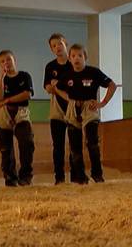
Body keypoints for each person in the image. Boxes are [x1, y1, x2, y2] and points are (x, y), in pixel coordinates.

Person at [52, 44, 116, 184]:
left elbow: (112, 85)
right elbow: (57, 88)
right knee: (75, 147)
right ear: (69, 58)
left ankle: (97, 175)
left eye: (80, 55)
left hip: (89, 107)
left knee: (92, 143)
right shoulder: (67, 75)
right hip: (73, 107)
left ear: (85, 57)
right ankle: (80, 177)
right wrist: (68, 99)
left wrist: (102, 103)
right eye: (73, 56)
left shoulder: (93, 72)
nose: (77, 59)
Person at [0, 50, 35, 187]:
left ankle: (25, 176)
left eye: (8, 59)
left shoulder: (24, 76)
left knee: (27, 143)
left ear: (14, 60)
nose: (6, 63)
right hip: (3, 115)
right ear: (0, 65)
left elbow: (26, 94)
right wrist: (1, 78)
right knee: (6, 149)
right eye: (2, 61)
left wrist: (8, 99)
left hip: (21, 113)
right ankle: (10, 178)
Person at [43, 33, 71, 184]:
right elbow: (48, 87)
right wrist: (54, 87)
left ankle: (77, 176)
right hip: (56, 109)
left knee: (75, 144)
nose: (57, 47)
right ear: (51, 49)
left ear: (65, 43)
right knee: (58, 145)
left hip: (73, 108)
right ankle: (59, 178)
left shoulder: (73, 62)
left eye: (59, 44)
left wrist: (57, 85)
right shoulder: (50, 66)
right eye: (54, 46)